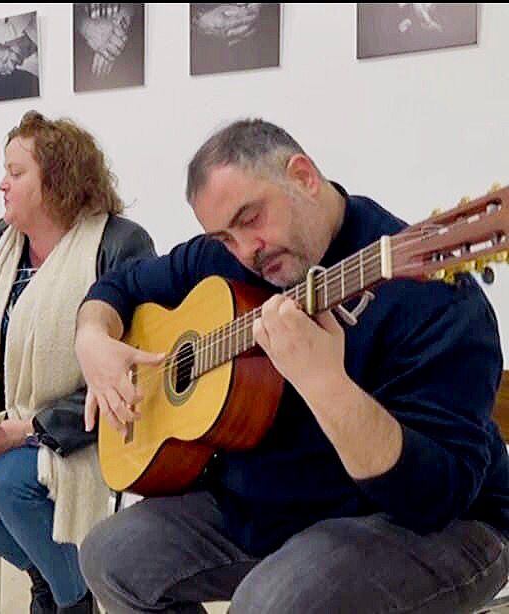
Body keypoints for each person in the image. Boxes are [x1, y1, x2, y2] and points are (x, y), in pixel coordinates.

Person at [74, 118, 509, 613]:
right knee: (111, 555)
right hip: (280, 507)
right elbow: (121, 287)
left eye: (251, 218)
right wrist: (92, 339)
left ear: (303, 176)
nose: (245, 252)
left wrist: (325, 384)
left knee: (272, 603)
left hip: (438, 524)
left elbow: (432, 498)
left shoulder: (436, 300)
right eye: (224, 238)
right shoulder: (227, 259)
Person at [0, 111, 155, 614]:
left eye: (16, 173)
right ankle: (53, 575)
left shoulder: (119, 244)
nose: (2, 184)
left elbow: (133, 367)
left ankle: (71, 601)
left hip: (84, 430)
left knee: (11, 481)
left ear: (59, 182)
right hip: (3, 423)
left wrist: (27, 429)